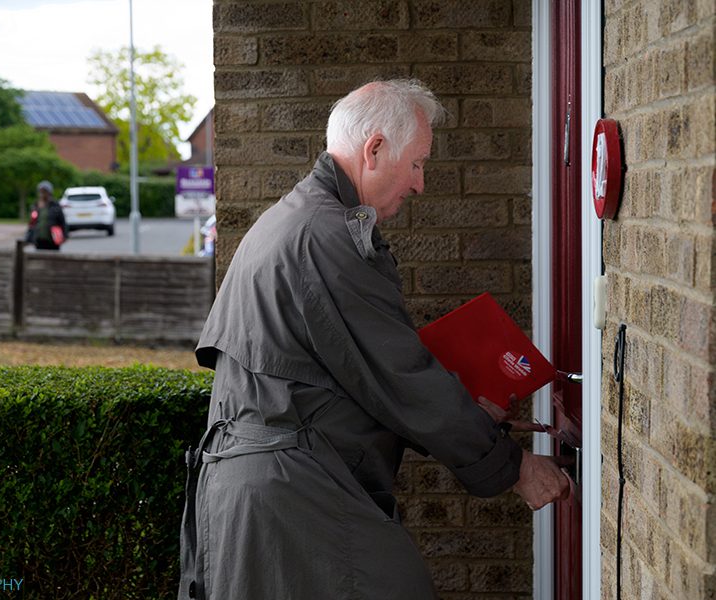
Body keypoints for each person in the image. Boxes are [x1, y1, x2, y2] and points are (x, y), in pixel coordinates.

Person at [178, 79, 571, 600]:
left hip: (275, 488)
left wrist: (473, 416)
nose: (420, 184)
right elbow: (401, 378)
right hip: (290, 494)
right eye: (417, 163)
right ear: (375, 149)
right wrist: (513, 466)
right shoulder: (325, 237)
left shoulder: (300, 220)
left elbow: (350, 377)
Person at [25, 180, 67, 250]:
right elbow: (32, 223)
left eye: (45, 191)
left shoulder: (55, 206)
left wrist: (65, 236)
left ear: (49, 192)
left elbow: (62, 222)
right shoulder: (35, 206)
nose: (42, 194)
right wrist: (29, 237)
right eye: (41, 191)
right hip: (39, 239)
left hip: (52, 240)